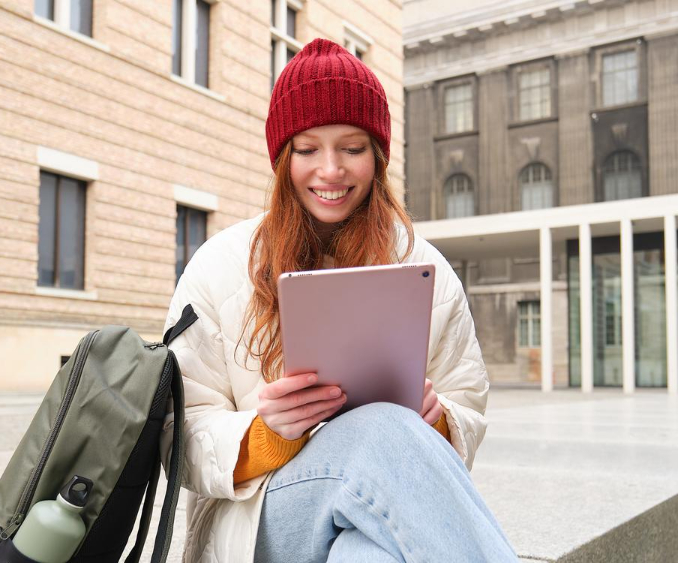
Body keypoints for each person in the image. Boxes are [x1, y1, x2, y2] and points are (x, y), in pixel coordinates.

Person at [160, 38, 515, 563]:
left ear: (378, 155)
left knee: (366, 553)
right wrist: (266, 434)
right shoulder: (219, 265)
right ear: (283, 158)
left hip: (379, 499)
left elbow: (468, 403)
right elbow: (178, 436)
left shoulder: (425, 267)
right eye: (307, 150)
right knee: (381, 431)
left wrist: (439, 423)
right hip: (260, 519)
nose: (331, 170)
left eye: (352, 149)